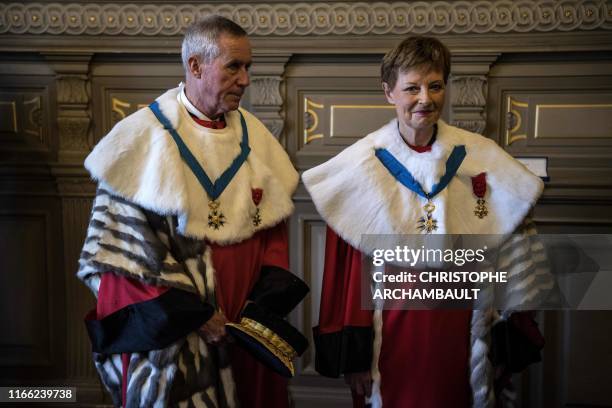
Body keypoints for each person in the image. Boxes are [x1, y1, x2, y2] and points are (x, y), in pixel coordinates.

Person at [302, 36, 551, 408]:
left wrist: (505, 338)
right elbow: (348, 270)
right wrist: (354, 357)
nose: (426, 99)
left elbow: (513, 251)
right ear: (389, 93)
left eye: (435, 86)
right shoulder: (359, 165)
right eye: (412, 88)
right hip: (390, 333)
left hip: (462, 330)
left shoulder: (481, 156)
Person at [77, 15, 301, 408]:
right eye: (234, 66)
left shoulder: (257, 138)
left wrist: (255, 311)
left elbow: (274, 234)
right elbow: (121, 260)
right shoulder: (140, 140)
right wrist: (195, 315)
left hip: (243, 332)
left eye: (248, 67)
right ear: (195, 66)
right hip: (175, 337)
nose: (246, 79)